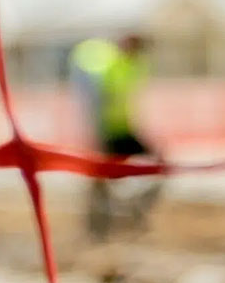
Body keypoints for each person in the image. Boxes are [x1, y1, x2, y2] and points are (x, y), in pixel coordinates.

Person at [68, 33, 159, 241]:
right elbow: (95, 101)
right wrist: (96, 135)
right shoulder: (107, 66)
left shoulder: (134, 67)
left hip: (124, 130)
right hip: (106, 132)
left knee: (157, 167)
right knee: (100, 179)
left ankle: (128, 211)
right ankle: (97, 224)